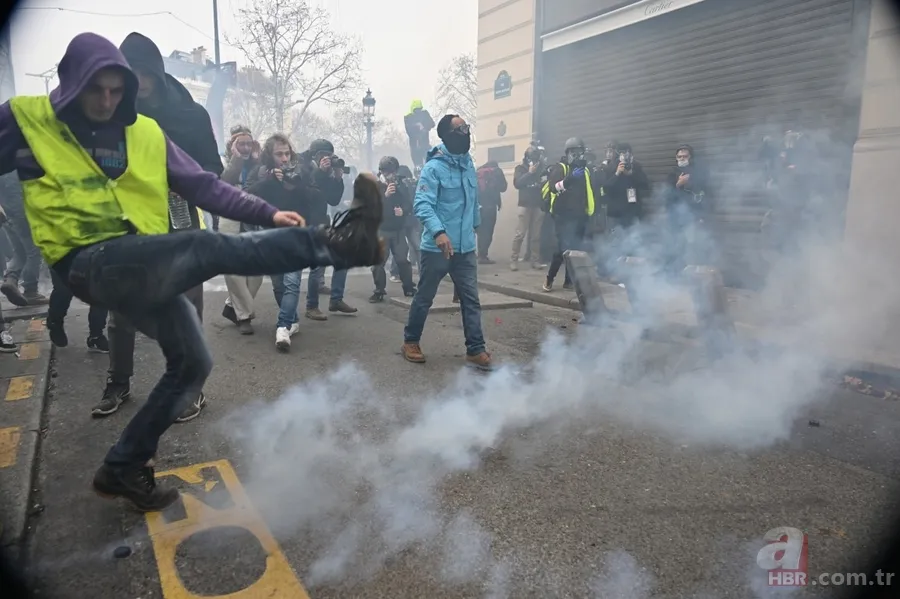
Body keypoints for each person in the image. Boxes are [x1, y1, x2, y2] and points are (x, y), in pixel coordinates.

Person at [0, 32, 384, 511]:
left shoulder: (144, 132)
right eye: (96, 88)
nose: (105, 100)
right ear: (72, 80)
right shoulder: (26, 118)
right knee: (205, 246)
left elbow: (204, 185)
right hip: (83, 262)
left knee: (193, 363)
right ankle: (340, 245)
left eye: (117, 90)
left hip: (138, 257)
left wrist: (266, 212)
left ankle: (124, 466)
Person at [92, 32, 226, 421]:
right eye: (128, 73)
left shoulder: (191, 115)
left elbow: (212, 169)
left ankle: (192, 389)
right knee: (121, 307)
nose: (138, 81)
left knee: (187, 307)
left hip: (179, 220)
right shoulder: (112, 114)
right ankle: (118, 382)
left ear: (156, 72)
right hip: (129, 223)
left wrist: (180, 178)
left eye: (143, 72)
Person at [401, 114, 491, 370]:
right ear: (448, 135)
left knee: (470, 299)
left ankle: (475, 349)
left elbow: (472, 201)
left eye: (466, 127)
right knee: (424, 297)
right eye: (460, 129)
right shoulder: (433, 168)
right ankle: (410, 341)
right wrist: (439, 232)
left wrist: (476, 226)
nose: (466, 132)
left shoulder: (468, 164)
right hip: (437, 248)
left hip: (465, 248)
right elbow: (422, 204)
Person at [245, 133, 318, 352]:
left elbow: (318, 198)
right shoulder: (260, 173)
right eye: (279, 154)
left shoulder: (302, 171)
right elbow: (246, 195)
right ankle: (292, 320)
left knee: (292, 283)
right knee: (278, 284)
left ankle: (283, 327)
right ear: (270, 156)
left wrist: (298, 184)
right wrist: (269, 180)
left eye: (287, 153)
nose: (284, 159)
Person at [296, 139, 357, 319]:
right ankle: (311, 306)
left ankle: (336, 299)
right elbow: (307, 194)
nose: (328, 160)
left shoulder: (325, 172)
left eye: (330, 156)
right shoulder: (302, 167)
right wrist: (321, 173)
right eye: (325, 156)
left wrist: (337, 178)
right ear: (316, 155)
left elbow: (333, 199)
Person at [220, 126, 263, 334]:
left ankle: (231, 306)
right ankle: (244, 316)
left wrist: (257, 160)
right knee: (235, 272)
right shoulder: (223, 161)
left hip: (254, 222)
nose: (246, 148)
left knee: (256, 273)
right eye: (241, 143)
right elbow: (223, 183)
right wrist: (236, 160)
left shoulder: (258, 163)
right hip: (231, 221)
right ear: (232, 145)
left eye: (249, 143)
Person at [542, 137, 596, 292]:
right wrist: (569, 180)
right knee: (562, 249)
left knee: (575, 249)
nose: (578, 156)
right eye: (574, 152)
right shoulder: (561, 168)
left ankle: (568, 280)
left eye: (580, 152)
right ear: (568, 153)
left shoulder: (584, 171)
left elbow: (588, 193)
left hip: (578, 216)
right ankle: (549, 278)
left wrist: (588, 212)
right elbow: (553, 188)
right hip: (562, 217)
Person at [370, 156, 415, 302]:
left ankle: (408, 288)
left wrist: (404, 210)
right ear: (382, 172)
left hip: (398, 229)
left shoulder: (400, 184)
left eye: (393, 172)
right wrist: (385, 196)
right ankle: (379, 290)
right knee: (378, 263)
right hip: (381, 229)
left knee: (402, 260)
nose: (390, 175)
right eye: (387, 172)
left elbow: (409, 202)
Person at [0, 173, 47, 306]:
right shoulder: (11, 169)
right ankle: (31, 290)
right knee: (34, 251)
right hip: (20, 215)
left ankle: (10, 280)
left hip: (7, 214)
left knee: (20, 252)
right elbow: (16, 194)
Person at [510, 143, 547, 271]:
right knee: (520, 234)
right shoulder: (520, 168)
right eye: (531, 158)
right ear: (526, 158)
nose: (534, 161)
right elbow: (517, 183)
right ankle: (514, 260)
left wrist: (543, 181)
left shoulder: (541, 168)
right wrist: (529, 173)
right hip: (524, 205)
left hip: (537, 205)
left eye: (536, 158)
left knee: (536, 236)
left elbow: (545, 184)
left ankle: (535, 260)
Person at [475, 160, 508, 264]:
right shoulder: (497, 172)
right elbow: (503, 188)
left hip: (478, 206)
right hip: (490, 206)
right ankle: (483, 256)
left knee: (479, 231)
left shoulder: (478, 172)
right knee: (488, 232)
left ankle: (478, 254)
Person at [404, 100, 435, 169]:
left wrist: (424, 126)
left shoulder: (425, 114)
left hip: (424, 145)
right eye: (416, 110)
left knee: (429, 164)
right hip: (416, 147)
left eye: (419, 110)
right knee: (419, 167)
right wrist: (417, 126)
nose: (418, 112)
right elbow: (409, 130)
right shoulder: (408, 117)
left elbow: (432, 124)